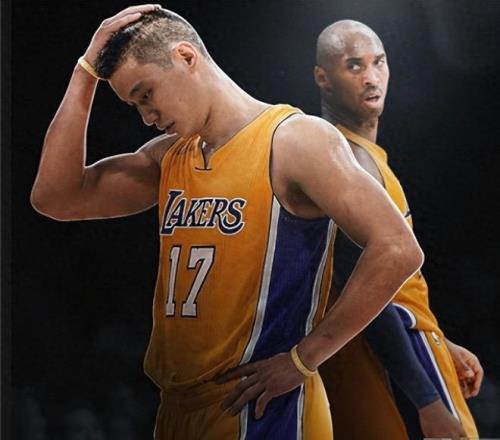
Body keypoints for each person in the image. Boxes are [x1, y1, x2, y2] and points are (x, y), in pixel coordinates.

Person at [31, 6, 424, 439]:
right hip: (178, 408)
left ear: (185, 56)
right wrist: (85, 72)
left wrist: (305, 358)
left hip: (261, 408)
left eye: (146, 94)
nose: (146, 116)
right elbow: (56, 197)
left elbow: (397, 248)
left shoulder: (294, 140)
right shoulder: (169, 156)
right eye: (134, 105)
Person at [314, 19, 483, 439]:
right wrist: (427, 401)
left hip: (400, 347)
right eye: (354, 66)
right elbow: (365, 289)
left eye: (379, 62)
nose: (372, 78)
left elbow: (398, 289)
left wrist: (440, 339)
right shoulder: (349, 162)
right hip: (397, 362)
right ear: (323, 77)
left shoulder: (361, 156)